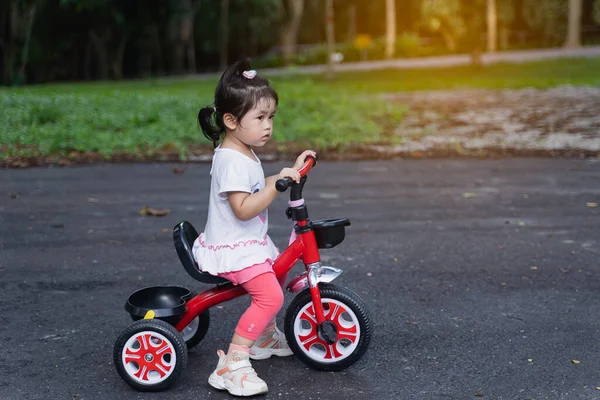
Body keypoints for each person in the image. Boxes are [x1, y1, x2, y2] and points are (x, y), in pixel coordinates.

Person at [194, 59, 316, 397]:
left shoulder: (242, 150)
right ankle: (232, 362)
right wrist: (274, 189)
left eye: (271, 117)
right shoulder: (230, 160)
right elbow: (244, 208)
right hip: (232, 248)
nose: (268, 126)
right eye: (260, 118)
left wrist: (284, 174)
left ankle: (263, 337)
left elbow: (256, 185)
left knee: (275, 274)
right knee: (271, 295)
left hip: (246, 242)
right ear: (231, 121)